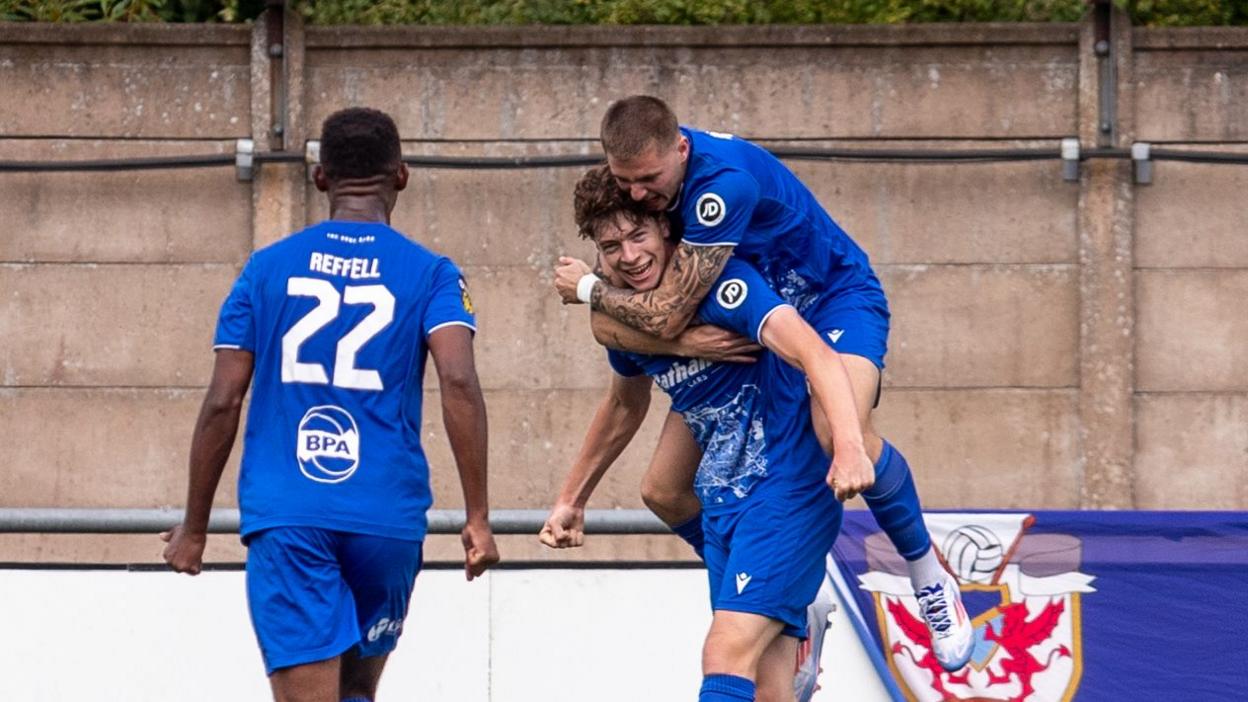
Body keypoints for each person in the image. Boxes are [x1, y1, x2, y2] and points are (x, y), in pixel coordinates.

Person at [553, 95, 972, 673]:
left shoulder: (719, 190)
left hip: (830, 297)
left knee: (834, 427)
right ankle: (782, 587)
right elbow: (634, 353)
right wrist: (572, 498)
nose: (640, 194)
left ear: (680, 149)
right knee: (663, 489)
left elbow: (668, 314)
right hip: (759, 326)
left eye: (648, 181)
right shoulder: (654, 204)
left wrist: (590, 295)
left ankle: (927, 572)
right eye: (628, 184)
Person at [161, 107, 499, 702]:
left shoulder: (265, 270)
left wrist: (194, 526)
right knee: (354, 695)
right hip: (386, 518)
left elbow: (223, 401)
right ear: (402, 175)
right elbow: (459, 382)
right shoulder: (434, 274)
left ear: (319, 177)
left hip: (290, 512)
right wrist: (477, 517)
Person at [543, 165, 869, 702]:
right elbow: (624, 403)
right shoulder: (623, 315)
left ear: (668, 229)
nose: (628, 255)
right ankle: (788, 598)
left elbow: (815, 352)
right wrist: (570, 499)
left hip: (781, 489)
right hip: (728, 498)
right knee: (768, 687)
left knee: (723, 653)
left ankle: (785, 580)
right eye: (611, 246)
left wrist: (851, 442)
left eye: (638, 235)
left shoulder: (722, 280)